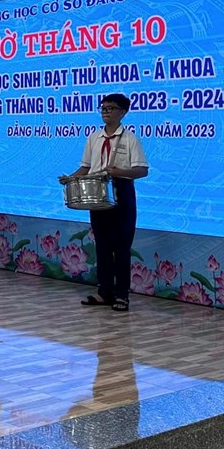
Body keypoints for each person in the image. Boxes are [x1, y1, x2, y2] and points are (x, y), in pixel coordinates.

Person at [59, 93, 149, 312]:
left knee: (121, 246)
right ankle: (104, 291)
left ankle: (122, 295)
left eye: (111, 108)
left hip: (121, 190)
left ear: (123, 112)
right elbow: (86, 167)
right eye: (104, 108)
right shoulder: (94, 137)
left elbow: (142, 170)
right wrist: (71, 178)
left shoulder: (130, 139)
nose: (106, 112)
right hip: (98, 191)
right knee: (102, 245)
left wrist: (119, 172)